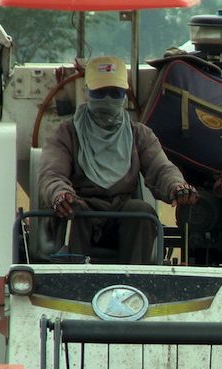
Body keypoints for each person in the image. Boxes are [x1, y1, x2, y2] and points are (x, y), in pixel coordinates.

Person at [38, 56, 197, 264]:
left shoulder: (139, 134)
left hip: (121, 216)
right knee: (75, 210)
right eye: (100, 93)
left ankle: (136, 283)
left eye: (115, 93)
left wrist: (177, 186)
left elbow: (161, 169)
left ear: (125, 95)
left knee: (142, 211)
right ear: (87, 92)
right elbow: (51, 174)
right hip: (80, 212)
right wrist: (61, 195)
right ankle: (72, 278)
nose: (107, 99)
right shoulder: (65, 133)